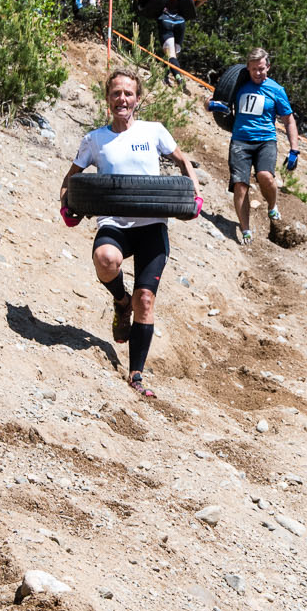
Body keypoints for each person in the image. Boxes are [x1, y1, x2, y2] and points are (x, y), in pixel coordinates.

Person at [59, 69, 200, 398]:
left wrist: (194, 195)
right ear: (107, 98)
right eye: (116, 93)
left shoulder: (154, 131)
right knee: (105, 259)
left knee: (145, 300)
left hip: (152, 225)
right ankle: (121, 302)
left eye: (128, 93)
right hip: (114, 222)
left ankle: (136, 374)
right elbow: (72, 177)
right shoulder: (95, 139)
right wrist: (66, 204)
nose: (122, 99)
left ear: (137, 98)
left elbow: (182, 161)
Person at [208, 47, 300, 245]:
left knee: (265, 176)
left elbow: (289, 120)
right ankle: (246, 230)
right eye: (254, 69)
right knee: (240, 185)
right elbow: (212, 100)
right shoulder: (239, 84)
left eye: (261, 69)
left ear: (268, 67)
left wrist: (294, 149)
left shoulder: (276, 90)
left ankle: (272, 206)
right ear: (248, 68)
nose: (258, 73)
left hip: (266, 141)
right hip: (240, 141)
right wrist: (211, 105)